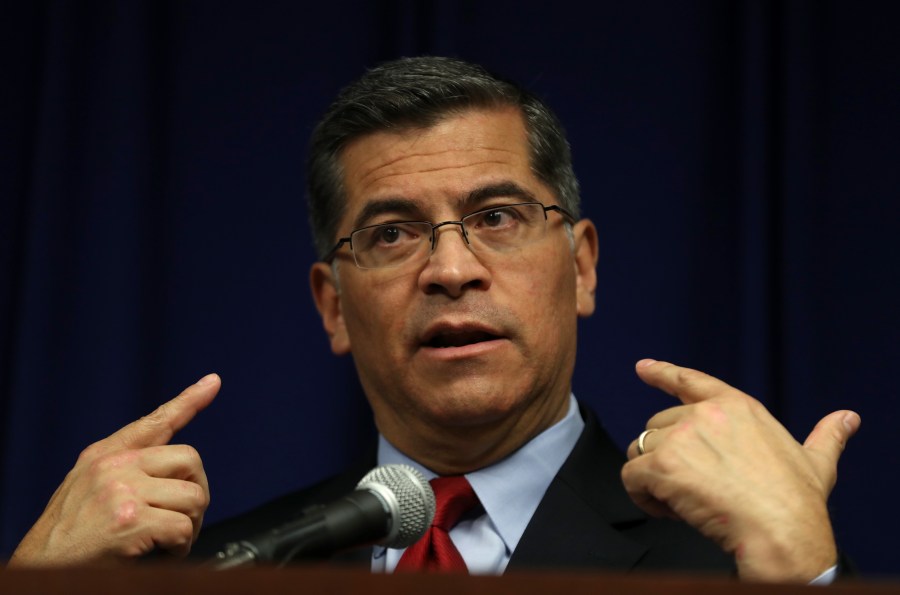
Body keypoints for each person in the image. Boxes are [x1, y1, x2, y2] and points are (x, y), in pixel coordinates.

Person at [7, 56, 860, 582]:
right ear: (333, 304)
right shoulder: (221, 572)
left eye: (496, 217)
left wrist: (807, 573)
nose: (451, 270)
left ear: (581, 264)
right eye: (392, 234)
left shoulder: (741, 558)